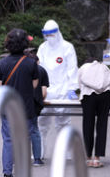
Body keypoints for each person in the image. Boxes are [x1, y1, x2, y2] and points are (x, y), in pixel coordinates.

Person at [0, 29, 39, 177]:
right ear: (25, 44)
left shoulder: (2, 63)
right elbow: (34, 85)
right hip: (26, 108)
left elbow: (0, 86)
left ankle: (7, 172)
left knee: (8, 140)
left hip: (8, 108)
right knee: (25, 141)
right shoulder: (31, 63)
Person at [36, 19, 78, 159]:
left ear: (57, 33)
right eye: (47, 35)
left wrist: (72, 88)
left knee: (63, 123)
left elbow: (72, 69)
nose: (49, 38)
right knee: (42, 122)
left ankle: (65, 152)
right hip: (45, 90)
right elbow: (39, 68)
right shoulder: (42, 48)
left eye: (52, 34)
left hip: (63, 90)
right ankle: (39, 151)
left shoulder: (67, 47)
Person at [78, 58, 110, 168]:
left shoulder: (83, 68)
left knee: (88, 125)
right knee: (102, 125)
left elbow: (79, 84)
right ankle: (97, 158)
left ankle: (88, 158)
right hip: (105, 96)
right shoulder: (104, 67)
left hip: (88, 96)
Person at [24, 51, 49, 167]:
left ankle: (19, 158)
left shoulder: (22, 69)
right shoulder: (41, 70)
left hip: (21, 103)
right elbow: (44, 92)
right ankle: (37, 159)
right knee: (34, 129)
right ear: (37, 61)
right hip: (35, 104)